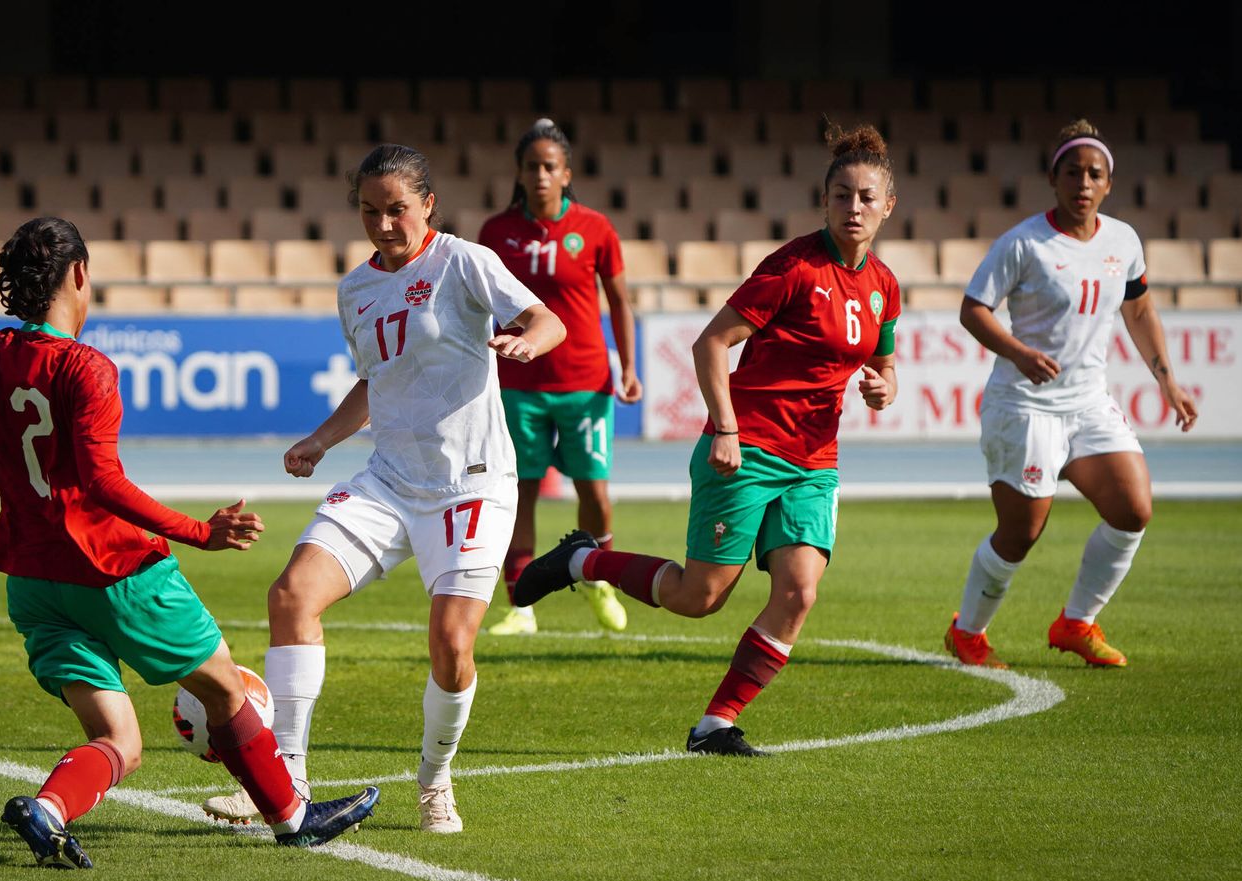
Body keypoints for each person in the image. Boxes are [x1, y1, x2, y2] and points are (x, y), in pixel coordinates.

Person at [0, 218, 379, 868]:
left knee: (119, 739)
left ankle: (49, 808)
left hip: (33, 583)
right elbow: (102, 483)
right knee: (225, 688)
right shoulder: (86, 366)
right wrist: (201, 531)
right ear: (79, 275)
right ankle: (292, 817)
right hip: (116, 572)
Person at [201, 144, 565, 833]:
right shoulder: (355, 290)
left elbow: (548, 319)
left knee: (453, 645)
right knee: (291, 595)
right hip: (389, 481)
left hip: (472, 486)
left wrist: (527, 343)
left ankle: (433, 778)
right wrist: (320, 439)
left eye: (398, 208)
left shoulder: (465, 262)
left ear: (428, 203)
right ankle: (283, 784)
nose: (385, 223)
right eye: (371, 210)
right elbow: (377, 381)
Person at [510, 124, 903, 757]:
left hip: (815, 462)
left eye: (865, 198)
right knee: (699, 599)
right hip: (749, 449)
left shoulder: (884, 284)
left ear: (888, 206)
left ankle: (715, 724)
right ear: (824, 201)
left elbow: (883, 363)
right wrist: (725, 427)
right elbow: (711, 343)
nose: (852, 208)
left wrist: (886, 386)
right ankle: (581, 560)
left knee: (799, 591)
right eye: (841, 196)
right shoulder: (792, 268)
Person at [944, 120, 1198, 669]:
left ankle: (1076, 622)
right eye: (1072, 172)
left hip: (1087, 403)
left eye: (1094, 174)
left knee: (1134, 509)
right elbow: (973, 310)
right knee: (1020, 534)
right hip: (1024, 406)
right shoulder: (1023, 243)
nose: (1083, 182)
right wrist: (1018, 352)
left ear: (1109, 183)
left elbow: (1139, 307)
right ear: (1053, 178)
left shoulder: (1123, 241)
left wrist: (1166, 378)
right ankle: (967, 632)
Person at [477, 119, 641, 636]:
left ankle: (598, 580)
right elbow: (479, 307)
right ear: (520, 174)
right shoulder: (496, 232)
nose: (541, 175)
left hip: (584, 383)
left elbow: (618, 301)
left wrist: (630, 366)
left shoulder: (595, 229)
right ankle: (520, 607)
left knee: (593, 492)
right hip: (519, 385)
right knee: (519, 492)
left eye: (550, 167)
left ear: (567, 174)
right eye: (532, 167)